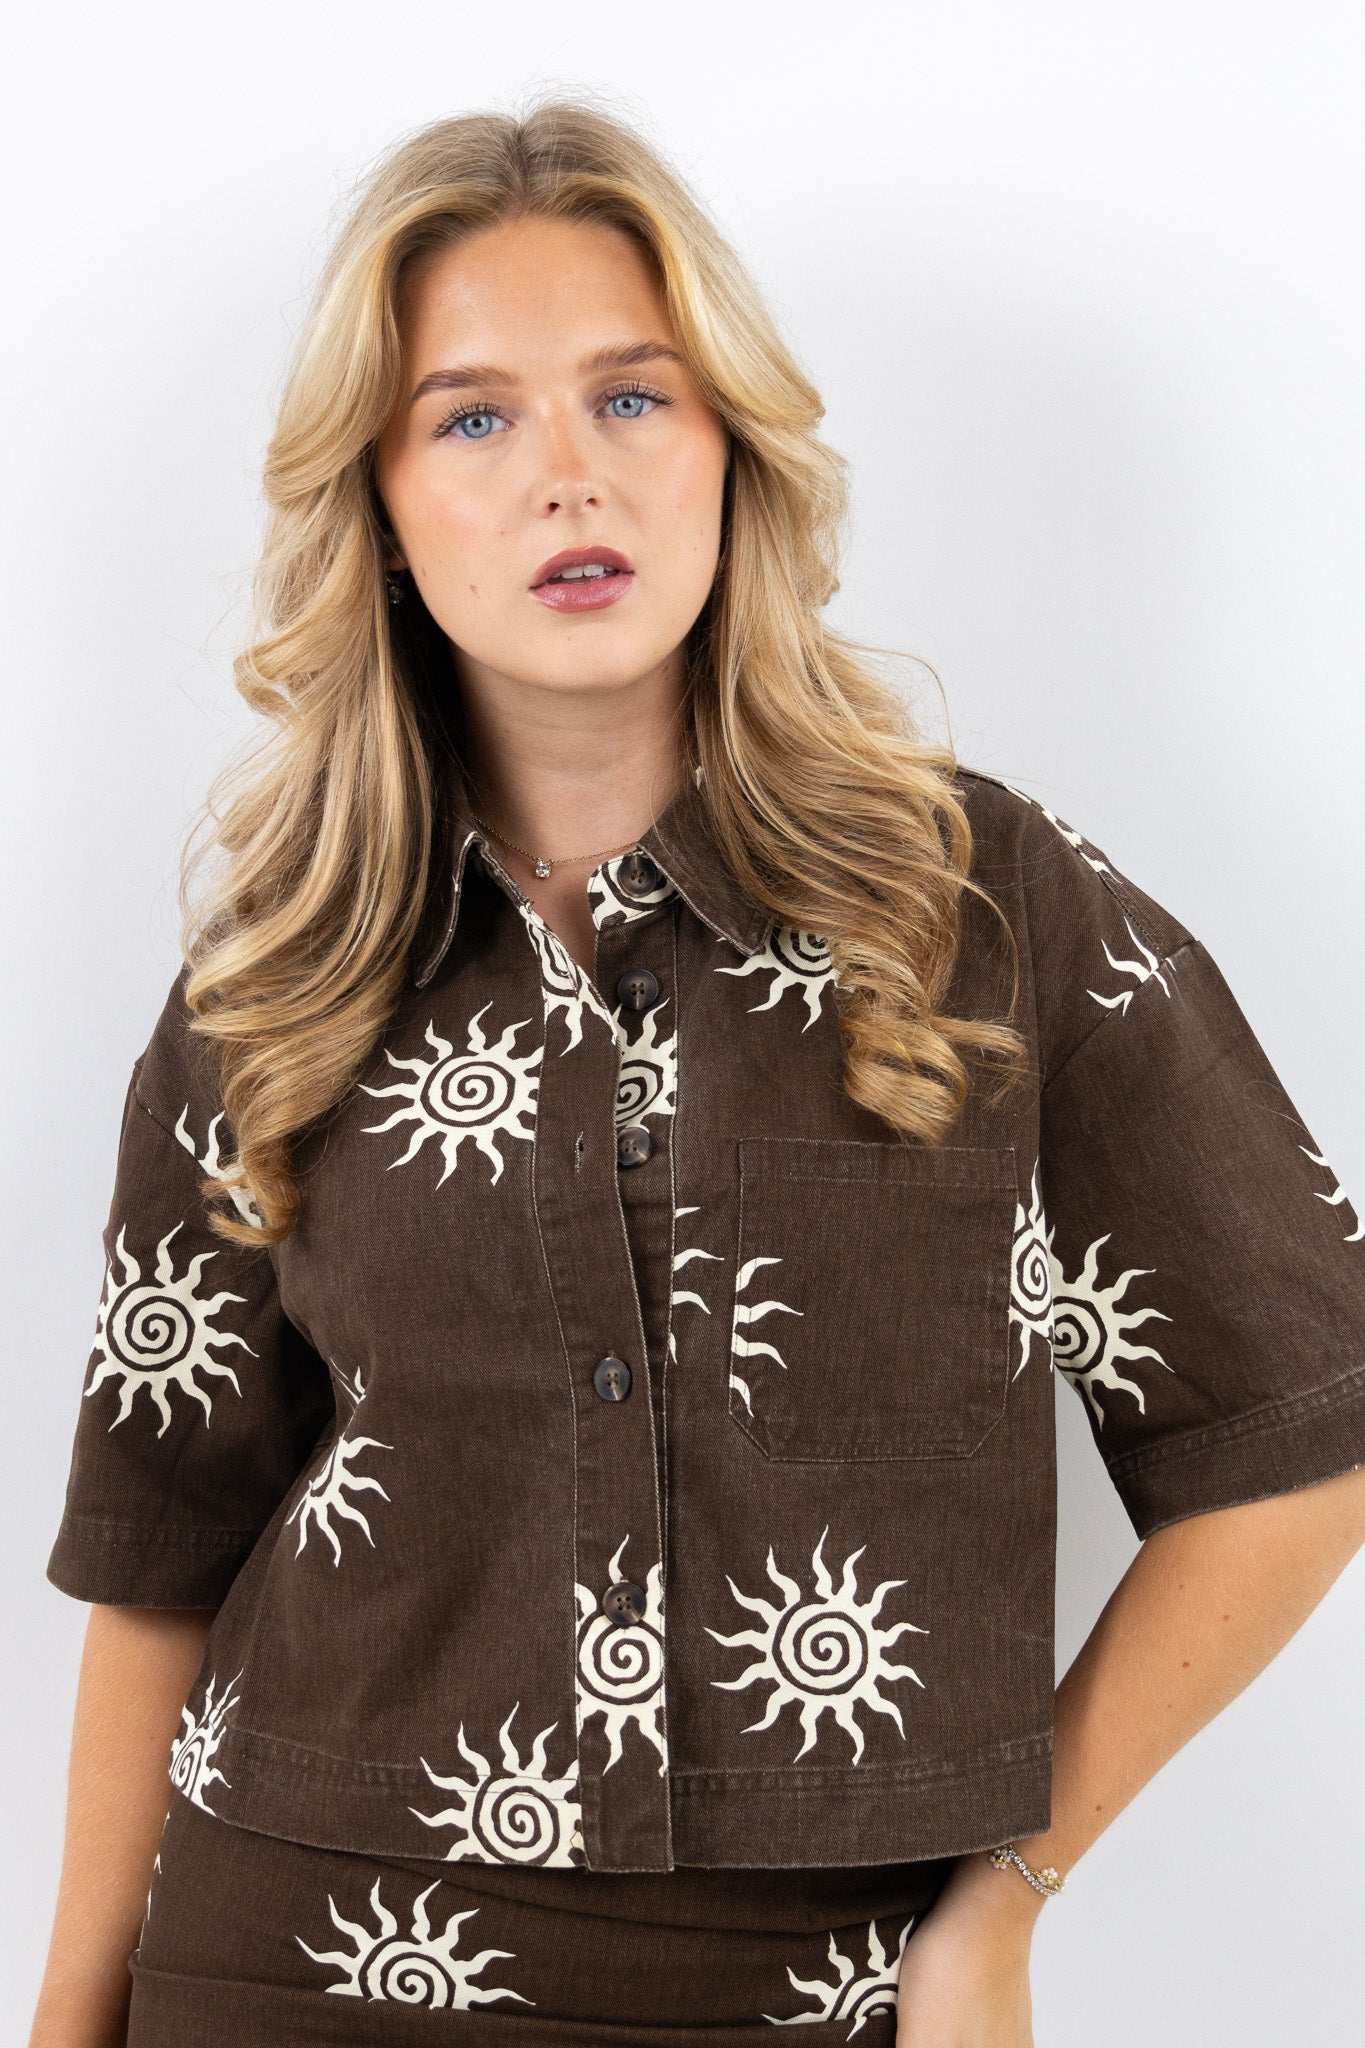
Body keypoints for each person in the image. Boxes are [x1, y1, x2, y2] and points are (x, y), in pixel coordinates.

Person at [31, 97, 1365, 2048]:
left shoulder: (987, 917)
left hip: (830, 1996)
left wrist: (1003, 1903)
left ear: (730, 448)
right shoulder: (281, 973)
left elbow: (1296, 1437)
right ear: (379, 511)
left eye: (631, 397)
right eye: (471, 420)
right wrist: (68, 2015)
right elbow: (159, 1552)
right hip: (293, 1957)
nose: (565, 474)